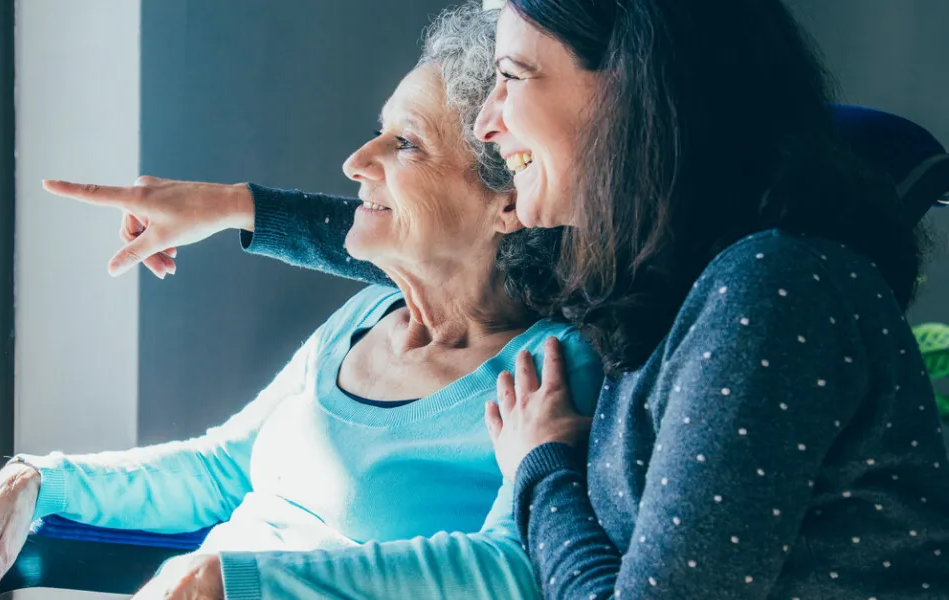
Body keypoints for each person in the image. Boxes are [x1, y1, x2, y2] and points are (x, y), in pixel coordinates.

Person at [47, 1, 949, 598]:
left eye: (513, 78)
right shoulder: (656, 287)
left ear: (635, 88)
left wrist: (542, 468)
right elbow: (454, 250)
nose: (488, 122)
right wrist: (234, 209)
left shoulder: (767, 292)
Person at [0, 6, 605, 600]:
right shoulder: (362, 321)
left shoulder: (550, 370)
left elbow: (510, 567)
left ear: (506, 202)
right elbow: (219, 469)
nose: (357, 162)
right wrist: (42, 476)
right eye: (379, 130)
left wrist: (236, 580)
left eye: (406, 144)